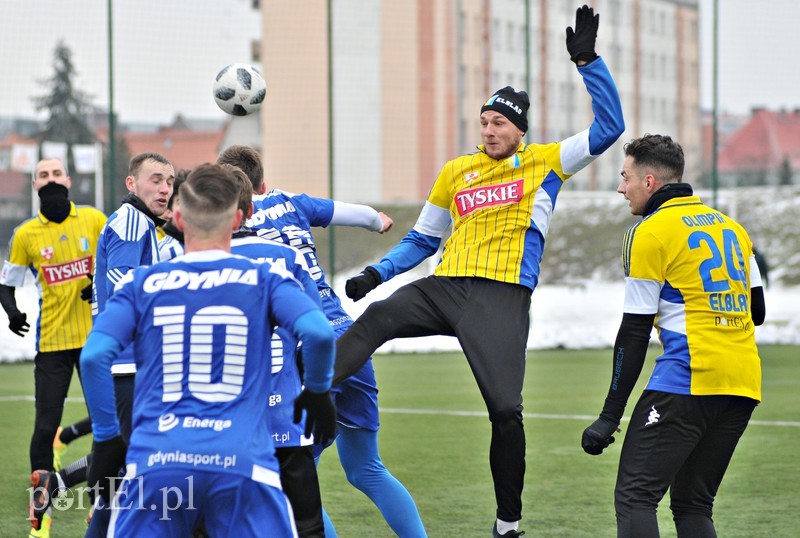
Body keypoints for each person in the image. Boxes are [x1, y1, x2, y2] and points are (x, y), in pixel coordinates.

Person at [332, 6, 624, 536]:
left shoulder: (548, 161)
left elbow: (610, 128)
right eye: (485, 122)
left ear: (520, 130)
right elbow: (422, 239)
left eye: (500, 123)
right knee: (375, 317)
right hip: (444, 286)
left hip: (501, 295)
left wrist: (587, 61)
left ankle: (507, 522)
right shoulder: (456, 171)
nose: (490, 131)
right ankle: (303, 397)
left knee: (506, 411)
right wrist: (377, 274)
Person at [80, 163, 337, 536]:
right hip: (243, 463)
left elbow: (93, 356)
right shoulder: (266, 277)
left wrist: (106, 438)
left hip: (158, 462)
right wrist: (318, 392)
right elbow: (319, 334)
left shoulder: (142, 283)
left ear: (179, 218)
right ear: (237, 219)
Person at [217, 145, 427, 538]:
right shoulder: (291, 202)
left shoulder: (229, 231)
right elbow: (357, 213)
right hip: (349, 338)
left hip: (303, 352)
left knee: (292, 478)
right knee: (366, 468)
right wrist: (377, 221)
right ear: (263, 182)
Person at [580, 134, 766, 537]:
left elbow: (634, 331)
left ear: (649, 182)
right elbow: (759, 312)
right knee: (694, 505)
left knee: (635, 498)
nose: (619, 187)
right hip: (742, 383)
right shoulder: (732, 227)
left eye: (625, 176)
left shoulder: (650, 232)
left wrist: (609, 416)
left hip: (687, 380)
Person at [0, 157, 106, 536]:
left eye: (56, 174)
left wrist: (98, 282)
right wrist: (12, 312)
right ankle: (40, 515)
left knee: (106, 425)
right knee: (45, 426)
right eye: (43, 175)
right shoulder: (26, 234)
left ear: (69, 180)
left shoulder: (95, 221)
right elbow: (6, 283)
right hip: (52, 344)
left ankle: (99, 503)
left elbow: (116, 263)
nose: (50, 180)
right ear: (35, 185)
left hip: (98, 342)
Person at [85, 151, 174, 536]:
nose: (165, 188)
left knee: (124, 481)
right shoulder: (131, 222)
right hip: (129, 367)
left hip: (134, 365)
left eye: (170, 181)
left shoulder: (140, 224)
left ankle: (57, 483)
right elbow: (126, 287)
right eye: (155, 179)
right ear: (131, 183)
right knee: (138, 480)